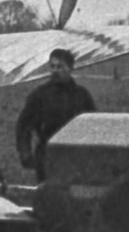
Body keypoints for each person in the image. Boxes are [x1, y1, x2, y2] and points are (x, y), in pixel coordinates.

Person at [15, 48, 97, 181]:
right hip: (47, 155)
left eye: (60, 66)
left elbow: (93, 127)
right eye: (52, 66)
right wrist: (26, 154)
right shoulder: (39, 95)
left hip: (75, 156)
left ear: (70, 68)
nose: (55, 70)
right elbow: (23, 127)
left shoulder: (82, 95)